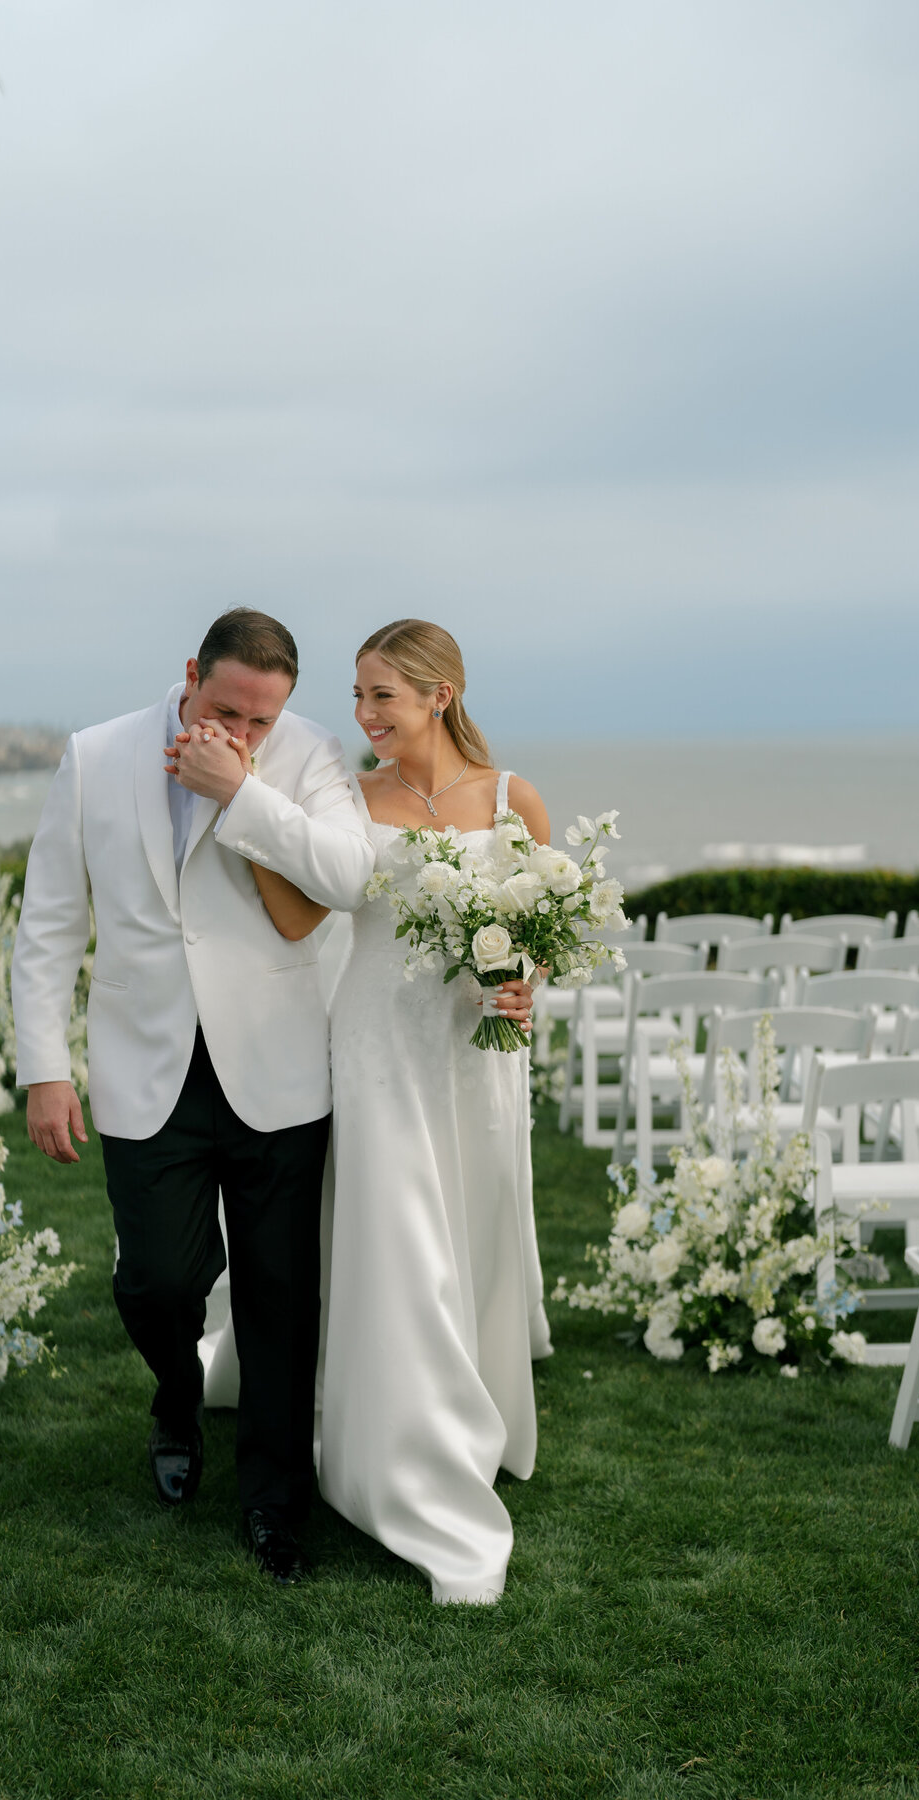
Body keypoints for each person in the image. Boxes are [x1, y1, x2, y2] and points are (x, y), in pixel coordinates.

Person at [11, 608, 374, 1586]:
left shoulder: (310, 755)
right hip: (146, 1066)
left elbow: (350, 875)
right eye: (227, 712)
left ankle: (274, 1505)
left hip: (279, 1069)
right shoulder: (95, 756)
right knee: (159, 1282)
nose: (244, 731)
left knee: (279, 1296)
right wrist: (45, 1067)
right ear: (190, 676)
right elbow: (50, 923)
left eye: (263, 719)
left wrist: (242, 791)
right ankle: (177, 1396)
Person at [243, 619, 553, 1605]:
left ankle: (479, 1412)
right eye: (357, 694)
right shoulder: (351, 800)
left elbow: (543, 926)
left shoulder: (511, 800)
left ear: (439, 695)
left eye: (382, 694)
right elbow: (299, 916)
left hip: (475, 1053)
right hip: (375, 1044)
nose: (363, 713)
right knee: (401, 1244)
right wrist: (251, 819)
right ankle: (403, 1456)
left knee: (477, 1229)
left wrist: (526, 984)